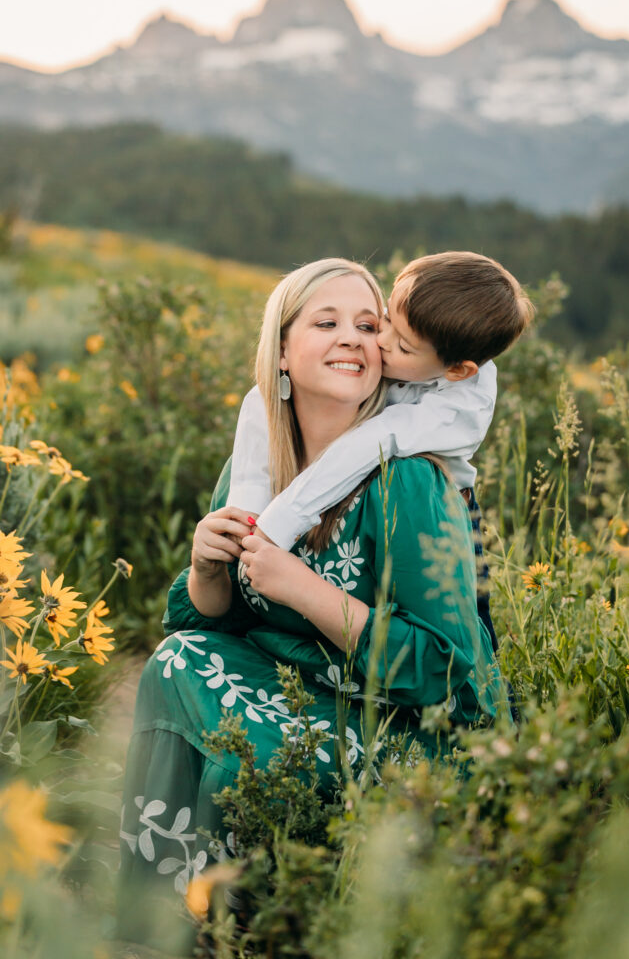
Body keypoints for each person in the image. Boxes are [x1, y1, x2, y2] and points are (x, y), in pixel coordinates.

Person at [117, 258, 503, 950]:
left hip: (400, 725)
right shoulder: (257, 463)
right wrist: (208, 563)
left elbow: (447, 671)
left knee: (253, 749)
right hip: (299, 685)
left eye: (369, 323)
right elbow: (212, 616)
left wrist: (305, 589)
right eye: (326, 323)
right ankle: (158, 926)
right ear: (283, 351)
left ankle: (252, 931)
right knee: (177, 662)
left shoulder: (409, 478)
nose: (354, 338)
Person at [228, 250, 534, 651]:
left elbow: (374, 442)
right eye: (385, 320)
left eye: (403, 347)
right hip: (354, 482)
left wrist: (276, 525)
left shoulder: (459, 409)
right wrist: (244, 524)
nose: (381, 344)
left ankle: (482, 711)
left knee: (467, 641)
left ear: (458, 370)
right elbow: (264, 400)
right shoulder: (423, 334)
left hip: (432, 512)